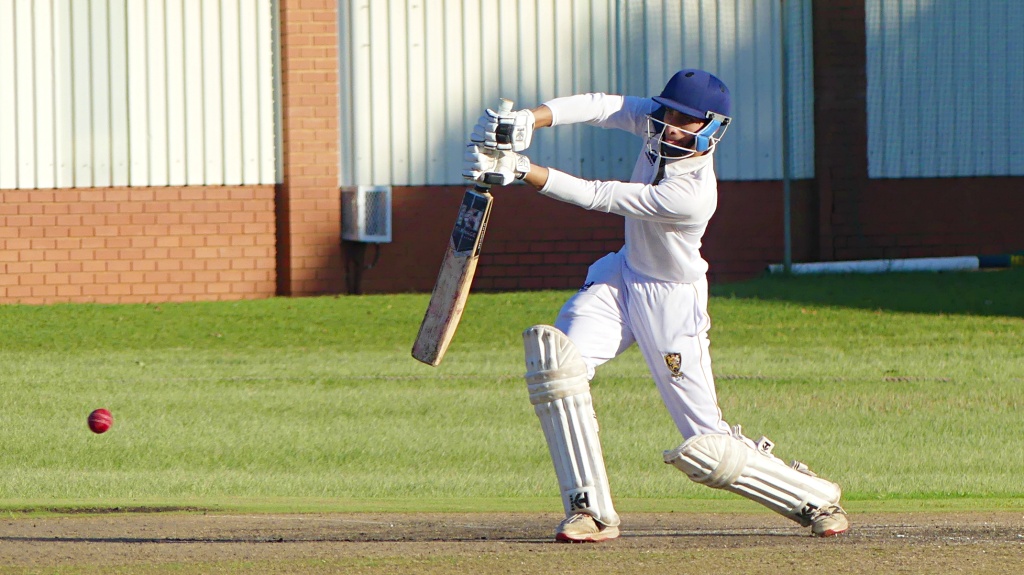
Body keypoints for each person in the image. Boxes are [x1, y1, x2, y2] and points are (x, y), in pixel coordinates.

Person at [462, 69, 850, 542]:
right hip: (623, 278)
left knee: (707, 446)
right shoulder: (657, 123)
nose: (670, 126)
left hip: (671, 301)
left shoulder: (691, 194)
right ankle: (590, 512)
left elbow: (602, 196)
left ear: (711, 127)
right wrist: (530, 119)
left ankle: (812, 496)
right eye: (668, 113)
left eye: (685, 121)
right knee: (557, 369)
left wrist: (523, 171)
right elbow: (600, 105)